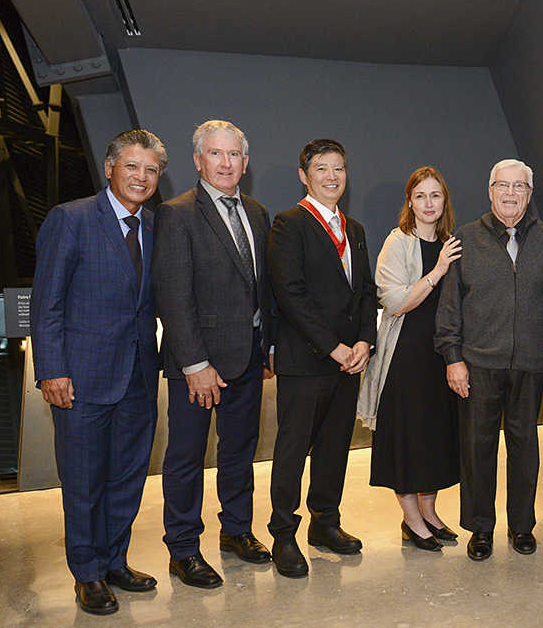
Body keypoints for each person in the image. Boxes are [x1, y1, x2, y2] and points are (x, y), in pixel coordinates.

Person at [31, 129, 165, 615]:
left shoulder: (154, 226)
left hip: (137, 378)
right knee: (85, 481)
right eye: (132, 166)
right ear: (110, 167)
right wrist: (51, 370)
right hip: (81, 379)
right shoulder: (71, 219)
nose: (141, 177)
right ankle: (86, 574)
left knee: (127, 478)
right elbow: (47, 303)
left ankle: (114, 562)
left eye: (151, 170)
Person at [153, 120, 274, 590]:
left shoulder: (259, 213)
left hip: (247, 359)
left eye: (234, 155)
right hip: (195, 367)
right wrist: (194, 365)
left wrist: (266, 346)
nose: (226, 163)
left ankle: (237, 531)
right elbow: (173, 295)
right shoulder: (177, 213)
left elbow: (261, 289)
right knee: (185, 458)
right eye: (216, 154)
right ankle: (183, 549)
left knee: (239, 452)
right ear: (198, 161)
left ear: (245, 163)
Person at [435, 158, 543, 561]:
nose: (511, 194)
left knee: (525, 446)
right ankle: (481, 527)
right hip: (478, 364)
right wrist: (453, 357)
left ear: (530, 193)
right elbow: (451, 304)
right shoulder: (465, 238)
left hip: (530, 362)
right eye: (503, 186)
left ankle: (523, 526)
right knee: (478, 447)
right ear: (490, 191)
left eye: (519, 187)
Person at [266, 138, 378, 577]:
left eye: (339, 169)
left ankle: (325, 524)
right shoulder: (288, 224)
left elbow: (366, 290)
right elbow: (290, 295)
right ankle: (283, 534)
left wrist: (364, 342)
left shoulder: (356, 229)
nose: (332, 177)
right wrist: (334, 348)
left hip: (351, 360)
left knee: (334, 448)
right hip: (307, 359)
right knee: (293, 450)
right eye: (322, 169)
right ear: (304, 175)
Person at [357, 167, 462, 551]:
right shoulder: (397, 242)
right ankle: (411, 519)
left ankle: (430, 513)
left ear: (444, 201)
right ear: (410, 202)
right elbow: (396, 302)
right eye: (421, 196)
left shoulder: (453, 241)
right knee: (407, 439)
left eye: (435, 195)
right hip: (406, 357)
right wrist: (436, 272)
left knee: (434, 439)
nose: (428, 203)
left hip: (441, 357)